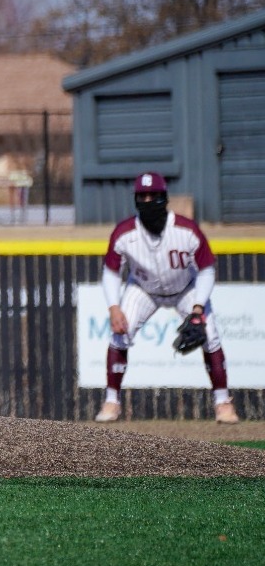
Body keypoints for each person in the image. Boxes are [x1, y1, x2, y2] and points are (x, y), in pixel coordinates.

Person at [95, 171, 240, 425]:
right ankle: (111, 401)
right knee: (119, 334)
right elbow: (111, 271)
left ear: (165, 197)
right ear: (136, 199)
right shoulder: (124, 232)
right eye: (143, 196)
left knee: (210, 334)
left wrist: (197, 309)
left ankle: (223, 403)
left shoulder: (186, 230)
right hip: (144, 289)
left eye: (154, 195)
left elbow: (206, 269)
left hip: (186, 288)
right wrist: (114, 307)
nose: (148, 200)